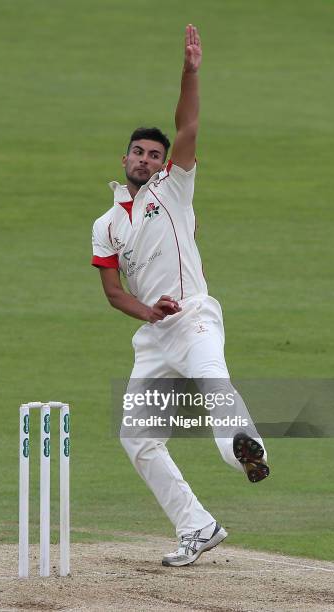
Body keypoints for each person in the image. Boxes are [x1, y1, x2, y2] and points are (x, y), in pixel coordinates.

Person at [91, 24, 269, 567]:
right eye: (137, 153)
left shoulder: (174, 188)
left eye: (153, 154)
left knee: (214, 380)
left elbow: (187, 124)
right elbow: (113, 291)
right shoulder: (106, 224)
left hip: (192, 318)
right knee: (137, 438)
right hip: (154, 334)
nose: (144, 160)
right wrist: (148, 311)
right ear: (124, 159)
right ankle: (198, 525)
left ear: (163, 163)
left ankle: (248, 449)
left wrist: (190, 73)